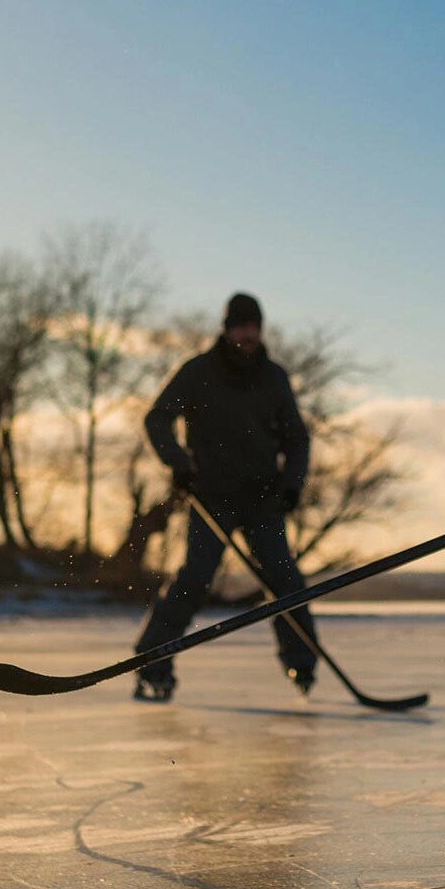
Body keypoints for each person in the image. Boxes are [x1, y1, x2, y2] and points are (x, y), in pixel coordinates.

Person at [133, 292, 318, 703]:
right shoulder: (198, 372)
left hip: (263, 498)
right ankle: (152, 661)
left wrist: (292, 485)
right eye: (241, 326)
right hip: (211, 496)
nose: (248, 334)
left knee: (284, 578)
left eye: (254, 327)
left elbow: (297, 439)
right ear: (227, 328)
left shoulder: (273, 378)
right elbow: (157, 418)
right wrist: (179, 464)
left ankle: (301, 661)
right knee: (195, 578)